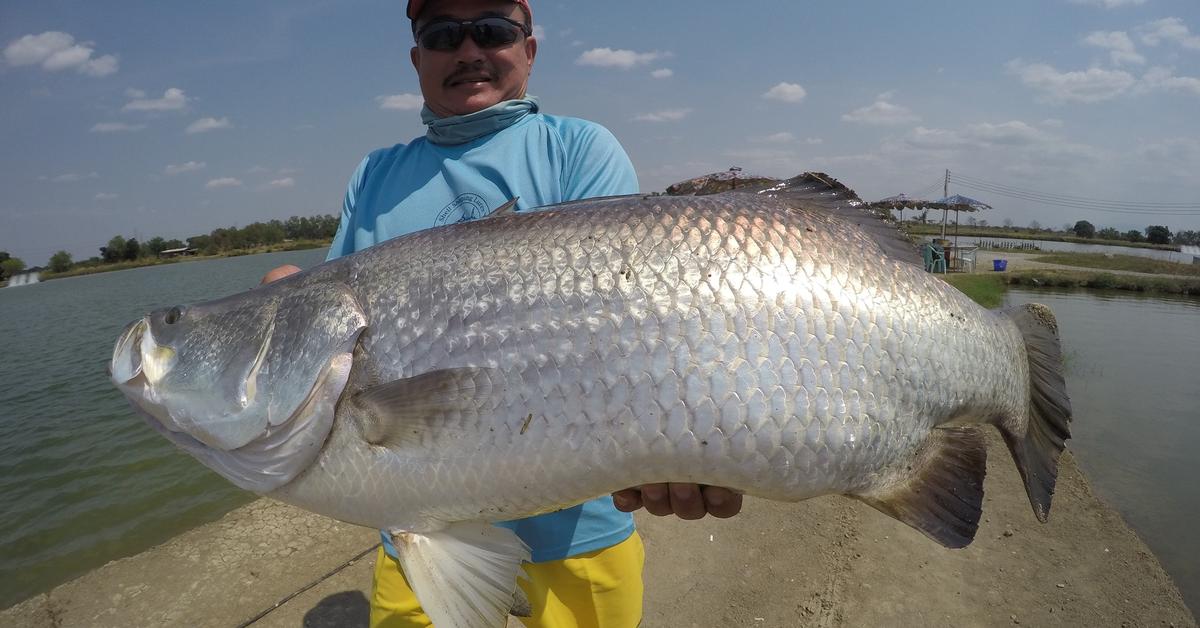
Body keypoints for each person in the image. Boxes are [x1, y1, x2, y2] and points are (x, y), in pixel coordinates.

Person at [263, 1, 742, 625]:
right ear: (416, 59)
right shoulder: (374, 174)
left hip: (576, 532)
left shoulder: (578, 148)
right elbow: (340, 329)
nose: (467, 52)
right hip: (415, 531)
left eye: (491, 31)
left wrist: (691, 440)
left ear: (530, 49)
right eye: (442, 35)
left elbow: (630, 321)